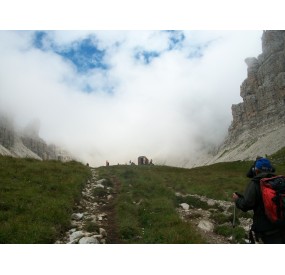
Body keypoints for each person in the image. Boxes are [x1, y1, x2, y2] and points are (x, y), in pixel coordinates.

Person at [232, 157, 285, 243]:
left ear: (256, 170)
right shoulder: (279, 181)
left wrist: (237, 200)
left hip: (266, 231)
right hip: (282, 227)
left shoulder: (256, 182)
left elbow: (246, 205)